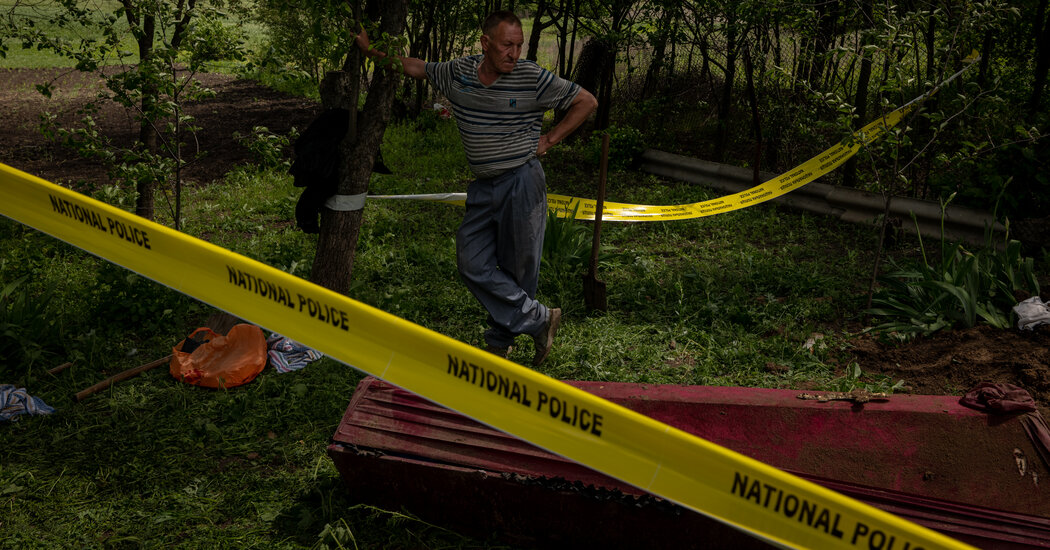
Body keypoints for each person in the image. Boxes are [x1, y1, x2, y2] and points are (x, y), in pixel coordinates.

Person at [355, 11, 597, 366]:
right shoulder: (459, 73)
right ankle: (539, 319)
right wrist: (372, 53)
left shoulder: (531, 77)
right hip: (484, 186)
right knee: (470, 260)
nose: (514, 54)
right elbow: (416, 67)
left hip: (522, 180)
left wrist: (549, 139)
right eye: (506, 45)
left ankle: (500, 343)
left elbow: (586, 101)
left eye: (519, 46)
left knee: (518, 267)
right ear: (485, 43)